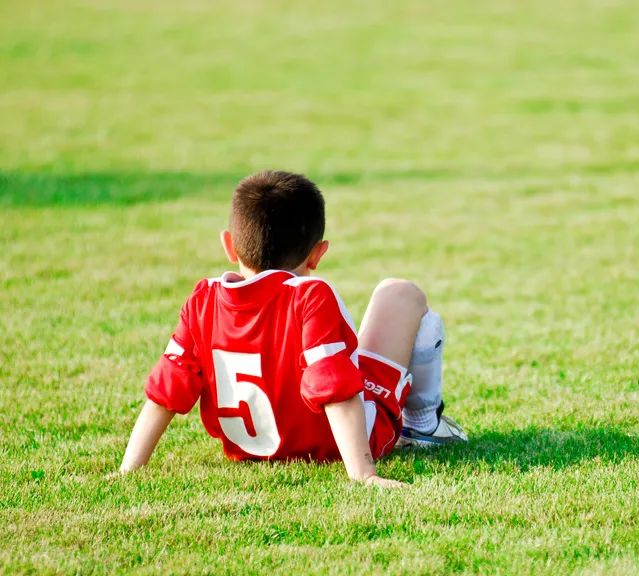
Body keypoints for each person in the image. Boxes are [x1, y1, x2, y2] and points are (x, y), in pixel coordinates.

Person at [114, 170, 466, 487]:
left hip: (249, 448)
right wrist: (364, 474)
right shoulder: (310, 295)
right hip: (334, 444)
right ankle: (423, 425)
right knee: (400, 293)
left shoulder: (202, 298)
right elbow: (334, 387)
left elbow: (167, 390)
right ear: (317, 254)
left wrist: (128, 470)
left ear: (228, 244)